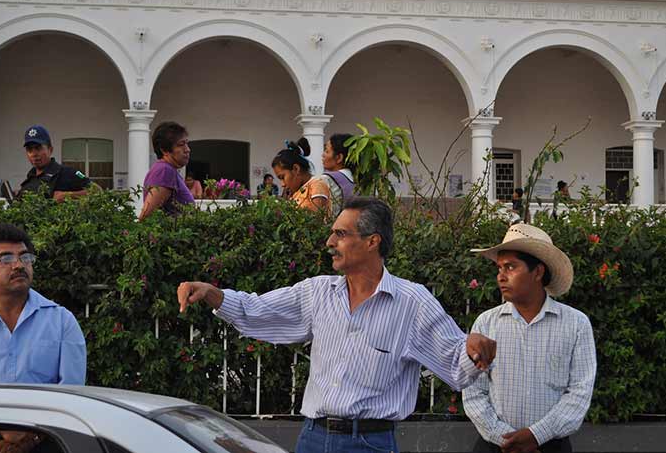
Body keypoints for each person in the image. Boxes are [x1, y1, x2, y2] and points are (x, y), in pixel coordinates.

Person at [178, 197, 497, 453]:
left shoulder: (412, 302)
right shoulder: (316, 292)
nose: (330, 241)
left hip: (370, 443)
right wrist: (212, 294)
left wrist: (475, 348)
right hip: (312, 438)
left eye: (341, 234)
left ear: (372, 242)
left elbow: (455, 363)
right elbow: (257, 310)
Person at [463, 223, 596, 453]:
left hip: (551, 446)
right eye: (499, 268)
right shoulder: (486, 323)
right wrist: (504, 438)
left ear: (538, 272)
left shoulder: (575, 325)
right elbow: (473, 391)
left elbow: (579, 393)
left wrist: (537, 435)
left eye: (511, 267)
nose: (501, 277)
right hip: (494, 446)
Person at [0, 223, 86, 452]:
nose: (18, 265)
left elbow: (72, 393)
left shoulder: (61, 321)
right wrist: (1, 430)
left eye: (25, 257)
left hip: (46, 442)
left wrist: (28, 440)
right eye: (5, 258)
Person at [17, 125, 92, 202]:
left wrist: (67, 195)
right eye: (29, 150)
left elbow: (97, 190)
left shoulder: (69, 172)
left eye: (38, 148)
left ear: (50, 150)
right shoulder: (30, 179)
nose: (34, 154)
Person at [139, 121, 194, 220]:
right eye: (181, 144)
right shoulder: (164, 171)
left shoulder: (169, 170)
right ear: (164, 150)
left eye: (187, 144)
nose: (187, 150)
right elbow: (147, 215)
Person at [272, 138, 330, 213]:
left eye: (282, 177)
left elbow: (315, 221)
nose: (282, 184)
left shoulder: (317, 186)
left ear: (296, 169)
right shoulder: (295, 192)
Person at [321, 133, 356, 218]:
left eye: (327, 151)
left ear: (339, 158)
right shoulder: (358, 179)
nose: (323, 155)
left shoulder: (327, 179)